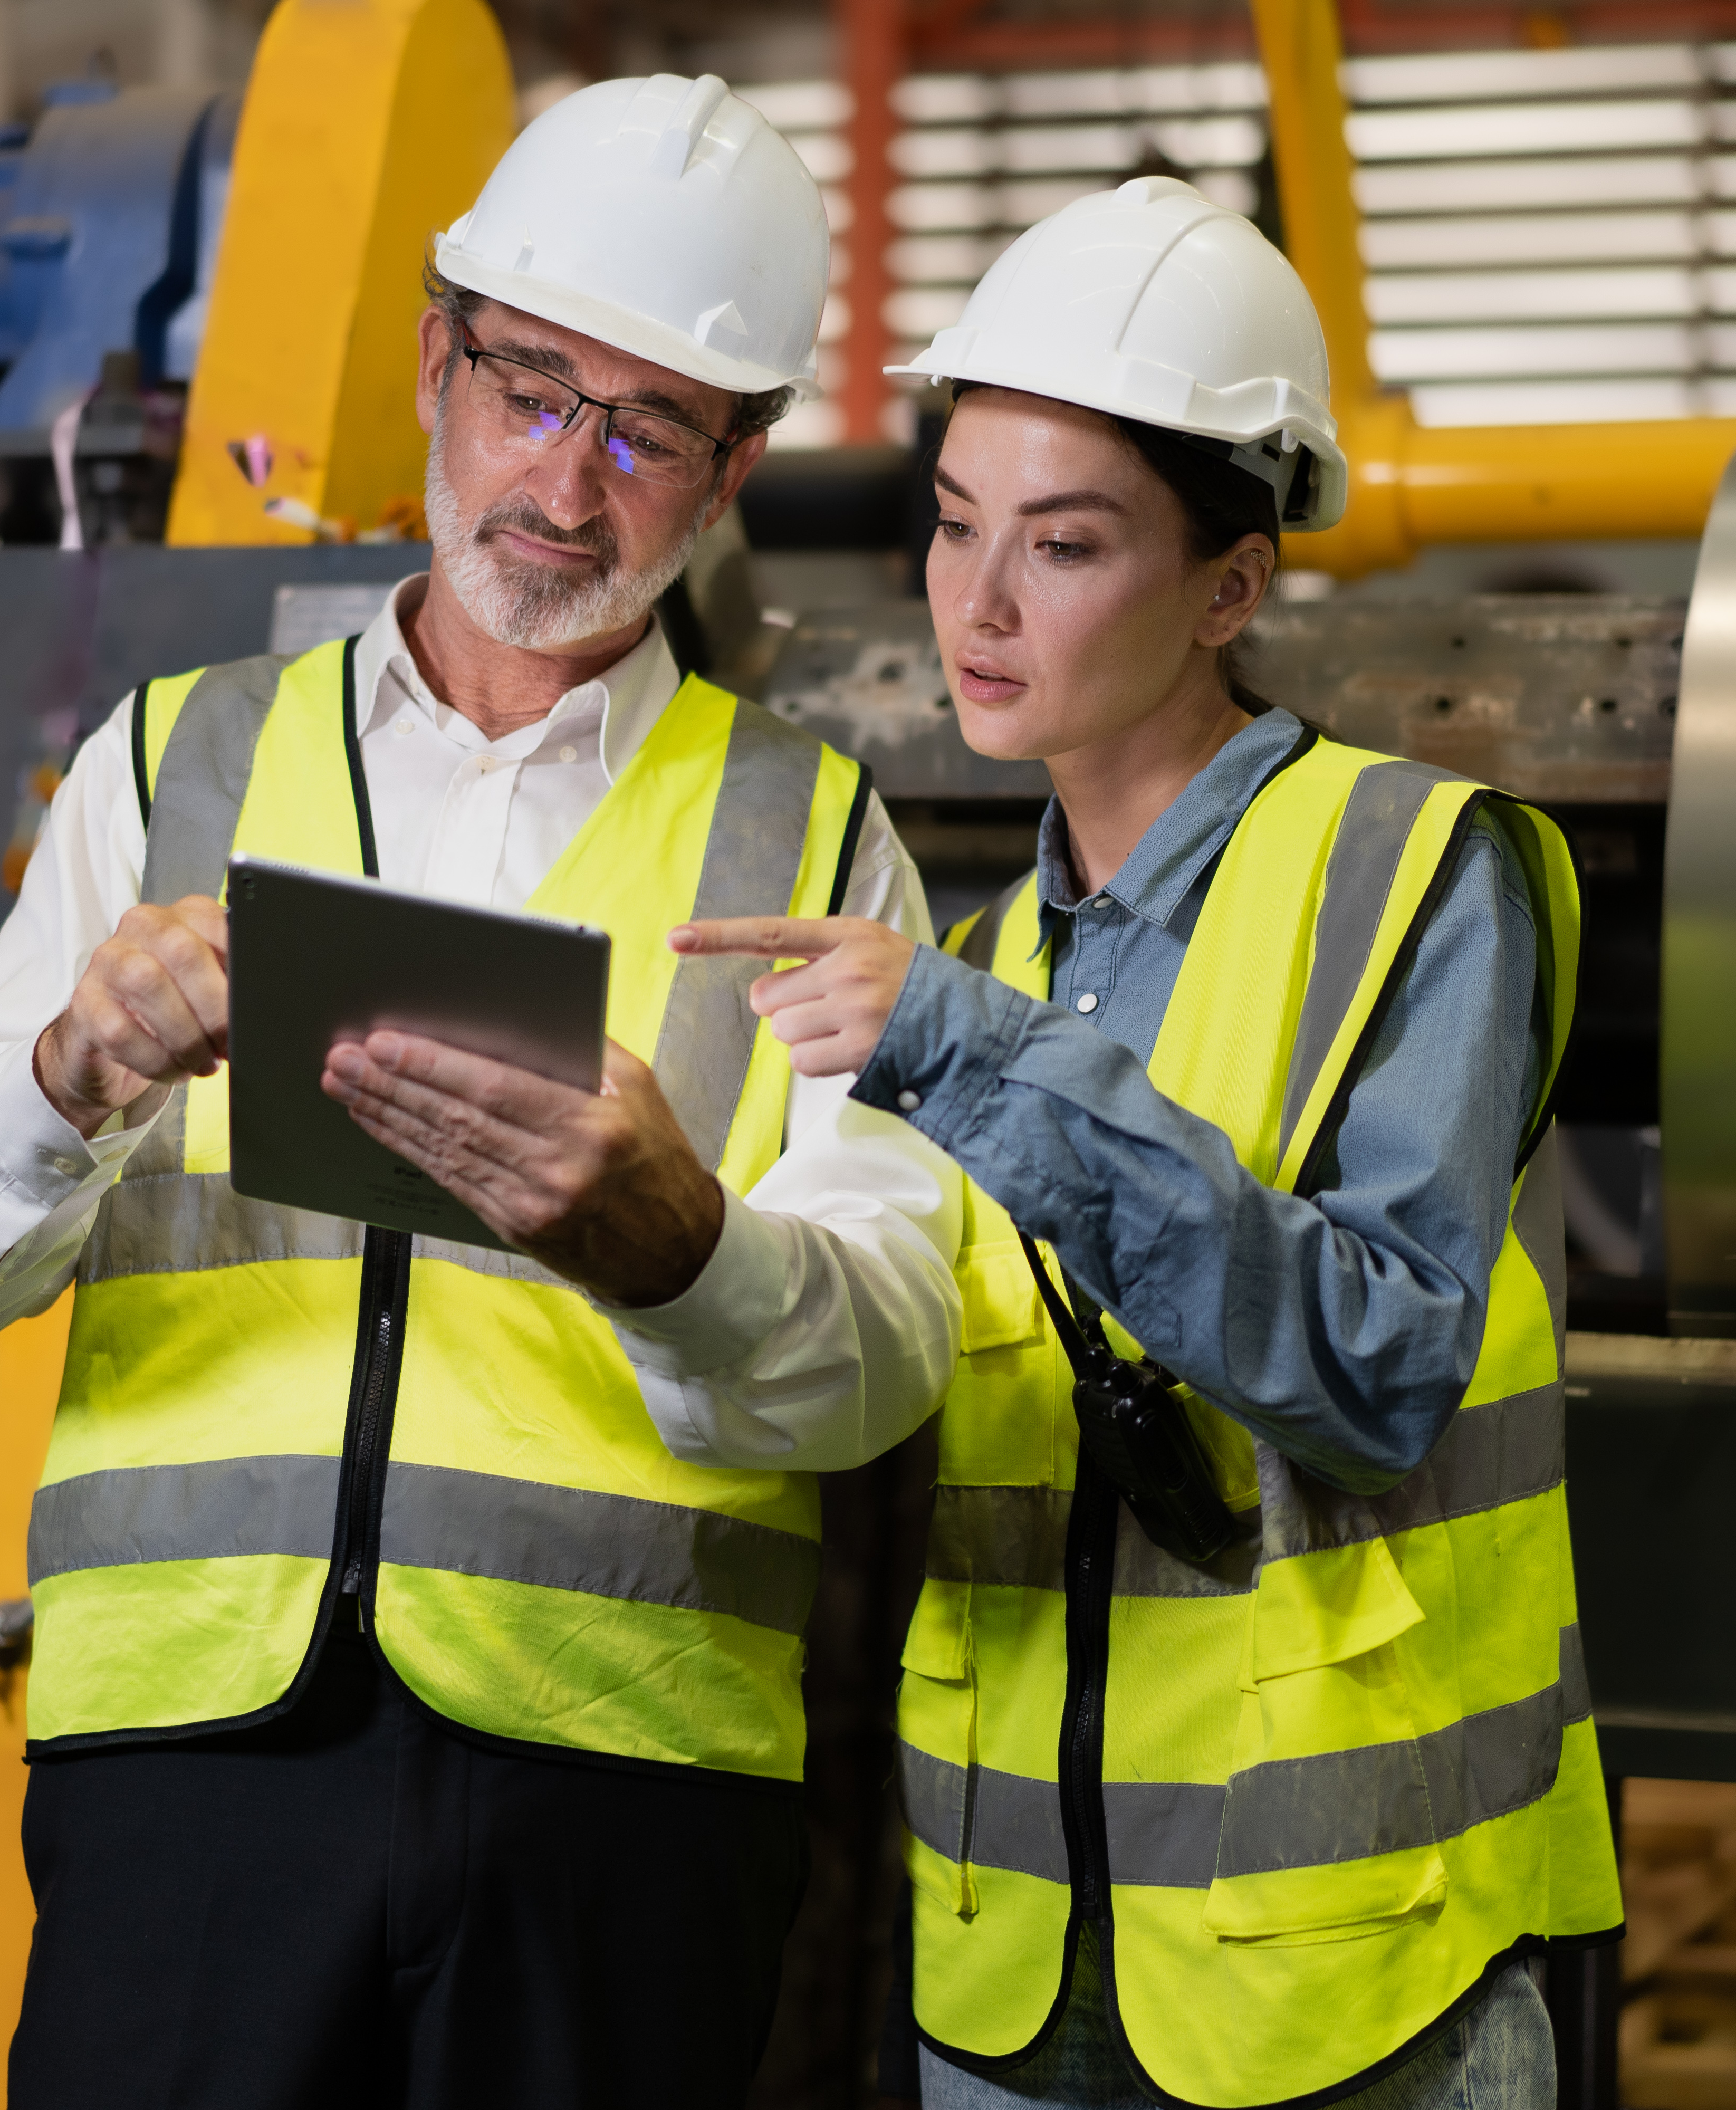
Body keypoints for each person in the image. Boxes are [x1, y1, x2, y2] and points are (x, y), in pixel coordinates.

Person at [0, 74, 964, 2110]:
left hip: (622, 1797)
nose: (568, 476)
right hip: (188, 1774)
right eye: (533, 388)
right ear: (438, 361)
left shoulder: (816, 835)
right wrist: (72, 1072)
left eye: (647, 431)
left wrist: (683, 1246)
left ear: (734, 473)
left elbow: (888, 1356)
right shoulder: (172, 758)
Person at [670, 177, 1622, 2109]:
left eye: (1068, 544)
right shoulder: (979, 959)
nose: (980, 605)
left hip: (1355, 1969)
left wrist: (978, 1061)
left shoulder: (1413, 877)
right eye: (953, 529)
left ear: (1230, 585)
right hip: (1013, 1961)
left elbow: (1374, 1372)